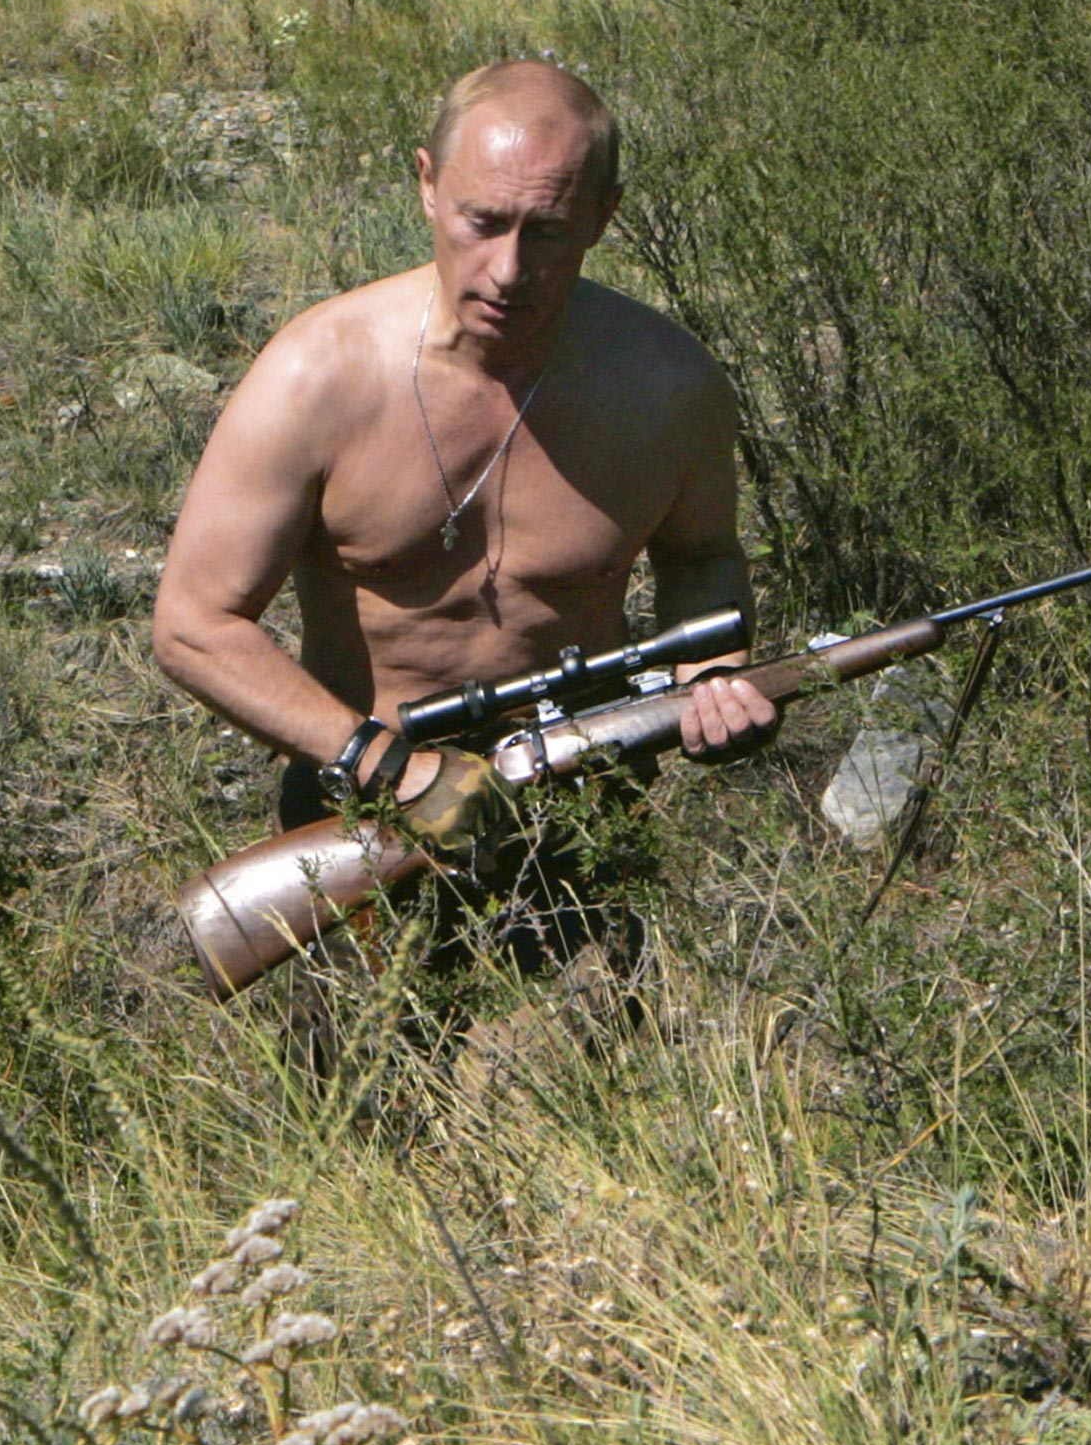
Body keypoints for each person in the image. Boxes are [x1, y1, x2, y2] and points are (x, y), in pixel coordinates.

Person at [153, 62, 774, 1052]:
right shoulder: (319, 374)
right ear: (426, 185)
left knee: (588, 1133)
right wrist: (390, 767)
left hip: (583, 812)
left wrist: (710, 680)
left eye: (550, 231)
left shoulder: (668, 387)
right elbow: (192, 625)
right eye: (481, 221)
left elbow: (701, 559)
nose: (508, 270)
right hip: (361, 813)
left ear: (606, 216)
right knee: (361, 1134)